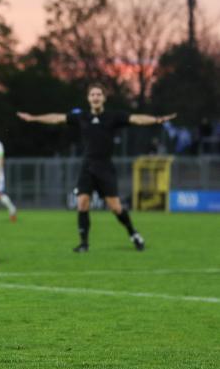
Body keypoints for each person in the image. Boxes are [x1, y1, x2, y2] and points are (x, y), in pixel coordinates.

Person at [18, 84, 175, 252]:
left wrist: (157, 119)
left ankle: (133, 233)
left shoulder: (113, 117)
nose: (95, 97)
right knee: (82, 203)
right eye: (92, 94)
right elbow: (56, 117)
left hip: (105, 167)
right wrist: (33, 118)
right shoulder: (81, 117)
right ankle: (84, 243)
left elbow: (136, 119)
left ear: (103, 98)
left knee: (115, 207)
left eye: (99, 94)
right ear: (88, 98)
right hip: (87, 166)